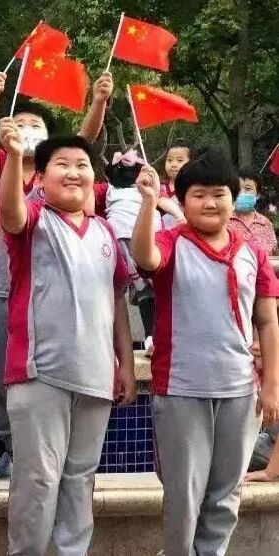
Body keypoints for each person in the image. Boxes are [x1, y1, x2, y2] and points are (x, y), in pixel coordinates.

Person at [0, 124, 136, 556]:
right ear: (40, 178)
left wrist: (126, 365)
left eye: (82, 165)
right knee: (38, 479)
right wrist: (14, 155)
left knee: (80, 478)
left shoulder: (105, 232)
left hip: (96, 375)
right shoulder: (34, 221)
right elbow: (10, 211)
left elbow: (117, 301)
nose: (74, 172)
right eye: (62, 164)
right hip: (40, 372)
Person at [131, 148, 279, 556]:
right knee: (183, 492)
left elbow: (267, 321)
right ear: (182, 201)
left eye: (219, 194)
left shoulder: (252, 252)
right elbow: (144, 257)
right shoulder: (171, 242)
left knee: (227, 492)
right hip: (181, 387)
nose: (210, 203)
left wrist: (271, 386)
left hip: (239, 390)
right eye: (199, 195)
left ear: (233, 197)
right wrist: (148, 203)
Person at [0, 70, 113, 480]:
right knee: (0, 371)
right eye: (22, 123)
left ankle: (29, 448)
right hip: (3, 286)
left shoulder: (56, 177)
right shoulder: (3, 166)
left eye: (36, 125)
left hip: (49, 291)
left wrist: (99, 103)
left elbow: (83, 141)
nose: (28, 129)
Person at [103, 150, 185, 353]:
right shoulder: (109, 189)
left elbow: (161, 201)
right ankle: (151, 337)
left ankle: (155, 336)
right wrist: (179, 217)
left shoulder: (147, 189)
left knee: (147, 287)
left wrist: (178, 216)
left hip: (138, 239)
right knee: (146, 288)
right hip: (133, 240)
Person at [228, 168, 277, 255]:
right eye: (237, 188)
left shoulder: (265, 224)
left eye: (248, 189)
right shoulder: (224, 221)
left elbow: (274, 254)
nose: (241, 193)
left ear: (257, 194)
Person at [160, 140, 192, 229]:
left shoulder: (192, 187)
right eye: (169, 160)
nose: (173, 164)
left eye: (180, 160)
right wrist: (178, 215)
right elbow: (160, 200)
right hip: (163, 232)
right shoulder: (161, 186)